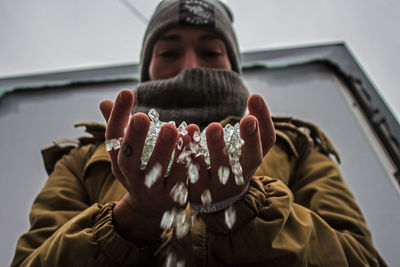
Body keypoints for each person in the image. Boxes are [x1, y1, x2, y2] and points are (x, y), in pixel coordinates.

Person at [11, 0, 387, 266]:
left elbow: (360, 260)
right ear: (147, 68)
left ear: (233, 64)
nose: (190, 67)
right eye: (169, 53)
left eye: (210, 52)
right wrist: (133, 218)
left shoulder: (296, 145)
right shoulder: (82, 159)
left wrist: (243, 208)